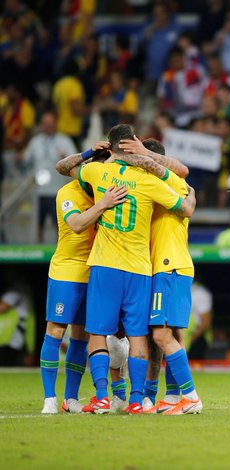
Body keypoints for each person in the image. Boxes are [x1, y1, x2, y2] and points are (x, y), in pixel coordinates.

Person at [55, 124, 196, 414]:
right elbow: (185, 206)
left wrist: (90, 153)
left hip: (108, 265)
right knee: (140, 336)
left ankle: (104, 397)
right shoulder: (152, 183)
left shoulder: (97, 173)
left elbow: (63, 168)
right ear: (131, 146)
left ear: (111, 147)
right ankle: (137, 399)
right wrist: (190, 197)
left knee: (96, 332)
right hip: (142, 269)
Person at [116, 137, 203, 414]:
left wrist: (140, 155)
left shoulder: (171, 182)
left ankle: (189, 396)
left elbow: (182, 171)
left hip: (168, 265)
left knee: (162, 335)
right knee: (170, 334)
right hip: (163, 267)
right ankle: (173, 397)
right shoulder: (152, 187)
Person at [40, 147, 128, 414]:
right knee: (56, 331)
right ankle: (49, 399)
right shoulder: (67, 193)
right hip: (66, 271)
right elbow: (77, 224)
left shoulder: (105, 191)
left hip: (94, 271)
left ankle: (70, 398)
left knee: (81, 337)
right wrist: (102, 205)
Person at [21, 111, 77, 243]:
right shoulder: (35, 141)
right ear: (41, 125)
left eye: (51, 124)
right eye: (46, 124)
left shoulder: (64, 141)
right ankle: (38, 246)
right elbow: (25, 160)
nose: (48, 127)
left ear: (55, 124)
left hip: (57, 190)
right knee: (38, 223)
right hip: (39, 191)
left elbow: (76, 160)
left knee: (58, 223)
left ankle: (60, 248)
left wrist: (65, 159)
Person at [0, 286, 34, 367]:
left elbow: (2, 307)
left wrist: (30, 352)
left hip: (12, 342)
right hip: (10, 342)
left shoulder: (17, 290)